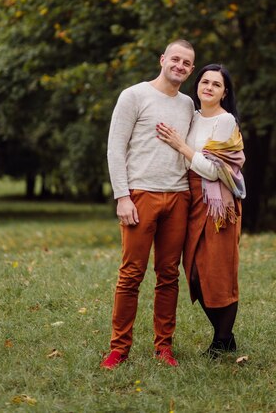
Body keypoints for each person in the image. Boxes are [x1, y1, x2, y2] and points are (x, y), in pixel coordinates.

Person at [101, 39, 195, 369]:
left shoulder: (187, 105)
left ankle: (164, 347)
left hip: (178, 197)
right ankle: (118, 348)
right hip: (141, 195)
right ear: (163, 59)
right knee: (131, 275)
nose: (180, 66)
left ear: (191, 70)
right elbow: (116, 148)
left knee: (169, 275)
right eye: (176, 59)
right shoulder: (134, 95)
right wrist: (122, 196)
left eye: (186, 63)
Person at [156, 64, 246, 358]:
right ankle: (226, 336)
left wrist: (182, 147)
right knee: (194, 273)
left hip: (219, 203)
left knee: (218, 272)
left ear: (224, 92)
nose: (208, 87)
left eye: (216, 84)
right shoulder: (192, 118)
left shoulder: (225, 122)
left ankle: (221, 340)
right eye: (204, 82)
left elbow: (216, 170)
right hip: (193, 200)